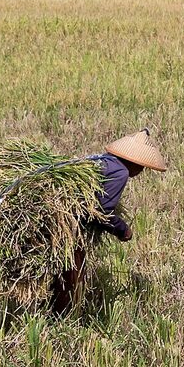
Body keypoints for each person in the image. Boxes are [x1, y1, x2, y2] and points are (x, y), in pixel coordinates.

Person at [50, 128, 167, 315]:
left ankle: (55, 312)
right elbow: (100, 211)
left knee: (62, 272)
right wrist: (123, 230)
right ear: (134, 162)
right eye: (142, 166)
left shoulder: (102, 159)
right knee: (71, 275)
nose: (142, 170)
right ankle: (60, 318)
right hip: (67, 223)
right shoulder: (120, 172)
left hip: (58, 215)